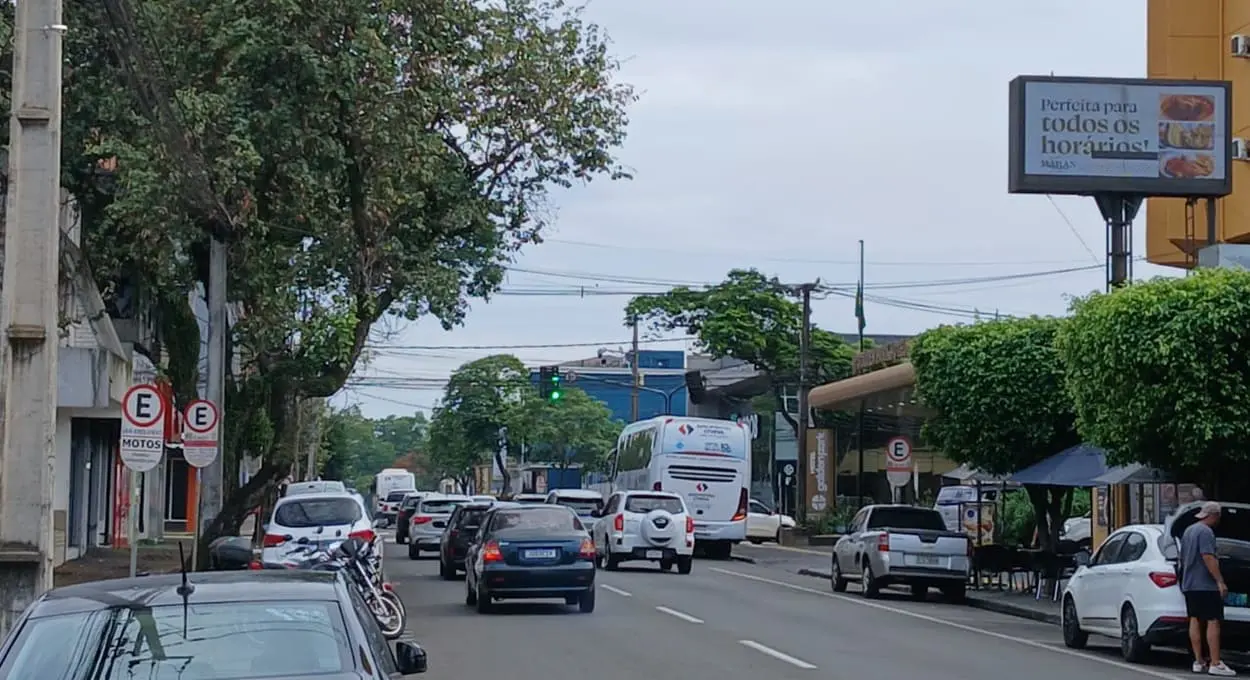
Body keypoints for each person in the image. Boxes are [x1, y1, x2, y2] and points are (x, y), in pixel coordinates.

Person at [1180, 501, 1235, 676]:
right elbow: (1208, 557)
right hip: (1205, 584)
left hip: (1189, 583)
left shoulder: (1189, 531)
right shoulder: (1206, 532)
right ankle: (1215, 663)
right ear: (1214, 515)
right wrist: (1220, 581)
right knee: (1213, 620)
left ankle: (1198, 661)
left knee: (1195, 619)